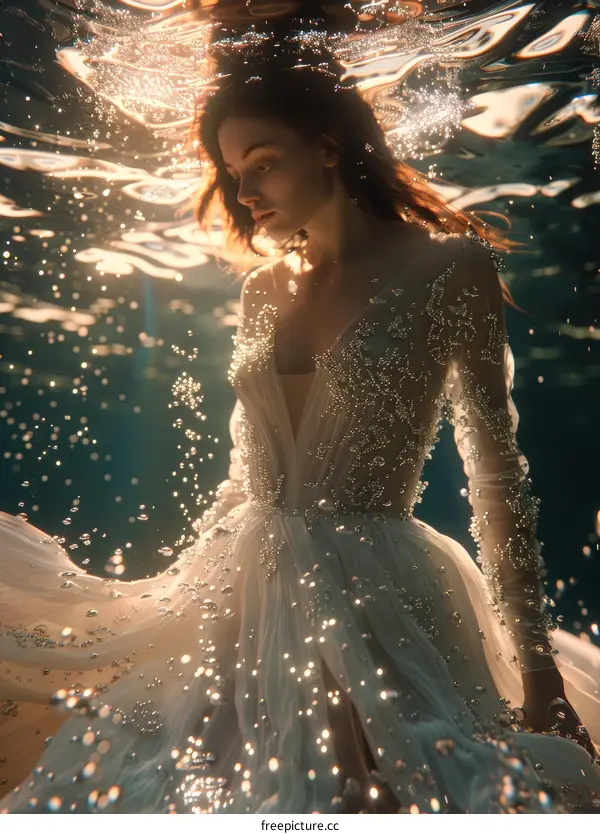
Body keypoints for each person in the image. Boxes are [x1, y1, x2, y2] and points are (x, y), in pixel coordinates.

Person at [1, 47, 600, 816]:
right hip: (241, 590)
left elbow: (497, 478)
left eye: (262, 163)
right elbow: (244, 474)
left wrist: (541, 675)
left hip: (383, 598)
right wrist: (176, 596)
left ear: (329, 145)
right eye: (232, 170)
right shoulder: (262, 290)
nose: (243, 190)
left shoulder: (451, 269)